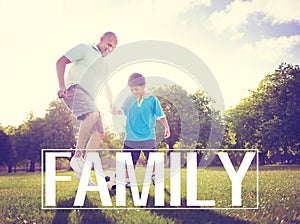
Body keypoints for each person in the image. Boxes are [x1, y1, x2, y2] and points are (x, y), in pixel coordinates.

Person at [56, 32, 118, 183]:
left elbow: (106, 85)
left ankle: (82, 169)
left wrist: (110, 102)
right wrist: (62, 86)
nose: (110, 49)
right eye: (109, 44)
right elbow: (61, 62)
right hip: (74, 89)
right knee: (93, 114)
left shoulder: (103, 64)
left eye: (113, 48)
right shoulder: (85, 49)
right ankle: (77, 157)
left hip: (90, 96)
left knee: (100, 133)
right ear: (101, 39)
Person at [112, 73, 171, 187]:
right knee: (128, 162)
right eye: (132, 89)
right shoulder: (129, 99)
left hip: (147, 136)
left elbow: (161, 115)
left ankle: (154, 176)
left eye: (137, 89)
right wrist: (114, 110)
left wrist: (167, 127)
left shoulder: (152, 100)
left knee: (152, 159)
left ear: (144, 86)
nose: (134, 91)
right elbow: (122, 111)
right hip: (131, 137)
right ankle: (127, 181)